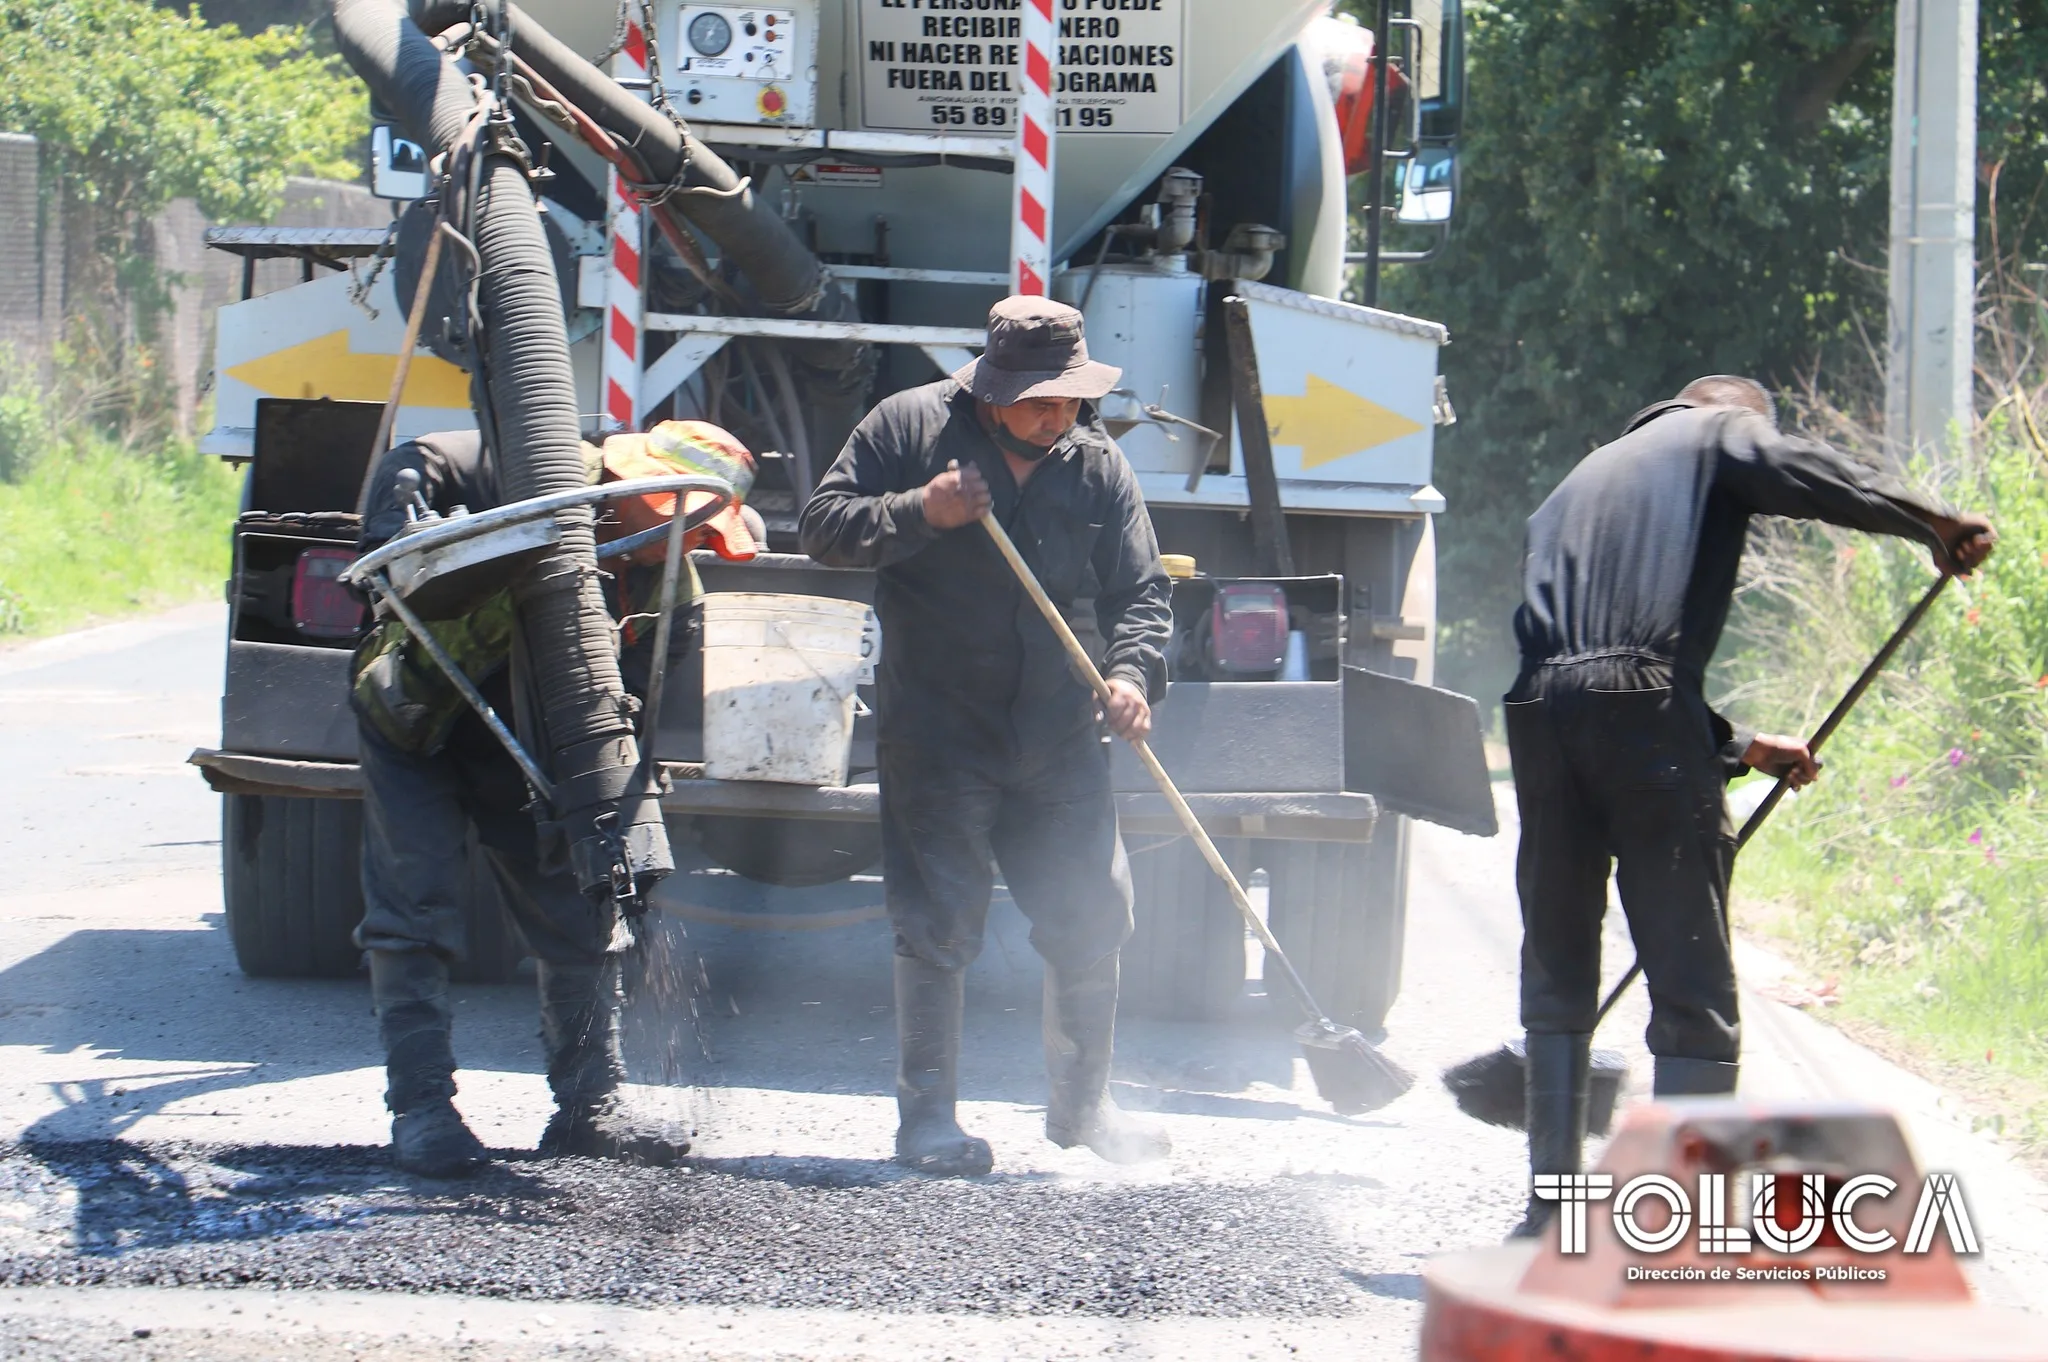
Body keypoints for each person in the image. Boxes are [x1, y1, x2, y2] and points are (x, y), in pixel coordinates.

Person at [1505, 375, 1996, 1235]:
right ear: (1734, 414)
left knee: (1559, 965)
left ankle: (1552, 1212)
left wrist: (1736, 748)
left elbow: (1588, 667)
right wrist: (1930, 519)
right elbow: (1802, 471)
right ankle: (1679, 1225)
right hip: (1638, 712)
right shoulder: (1716, 432)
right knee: (1690, 981)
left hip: (1537, 712)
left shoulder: (1573, 486)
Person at [799, 296, 1174, 1176]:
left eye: (1069, 398)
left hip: (1057, 733)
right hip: (938, 728)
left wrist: (1130, 675)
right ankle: (926, 1121)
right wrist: (917, 512)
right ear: (992, 386)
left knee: (1092, 911)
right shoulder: (907, 429)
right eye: (1039, 399)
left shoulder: (1096, 464)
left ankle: (1084, 1110)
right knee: (936, 922)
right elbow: (821, 529)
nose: (1057, 415)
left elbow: (1142, 596)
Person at [350, 421, 760, 1178]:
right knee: (416, 908)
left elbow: (638, 698)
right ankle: (422, 1111)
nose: (691, 542)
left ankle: (589, 1108)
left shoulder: (670, 582)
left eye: (703, 530)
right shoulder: (539, 467)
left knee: (581, 909)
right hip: (426, 717)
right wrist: (404, 508)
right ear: (632, 486)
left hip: (537, 744)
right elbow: (429, 454)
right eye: (678, 522)